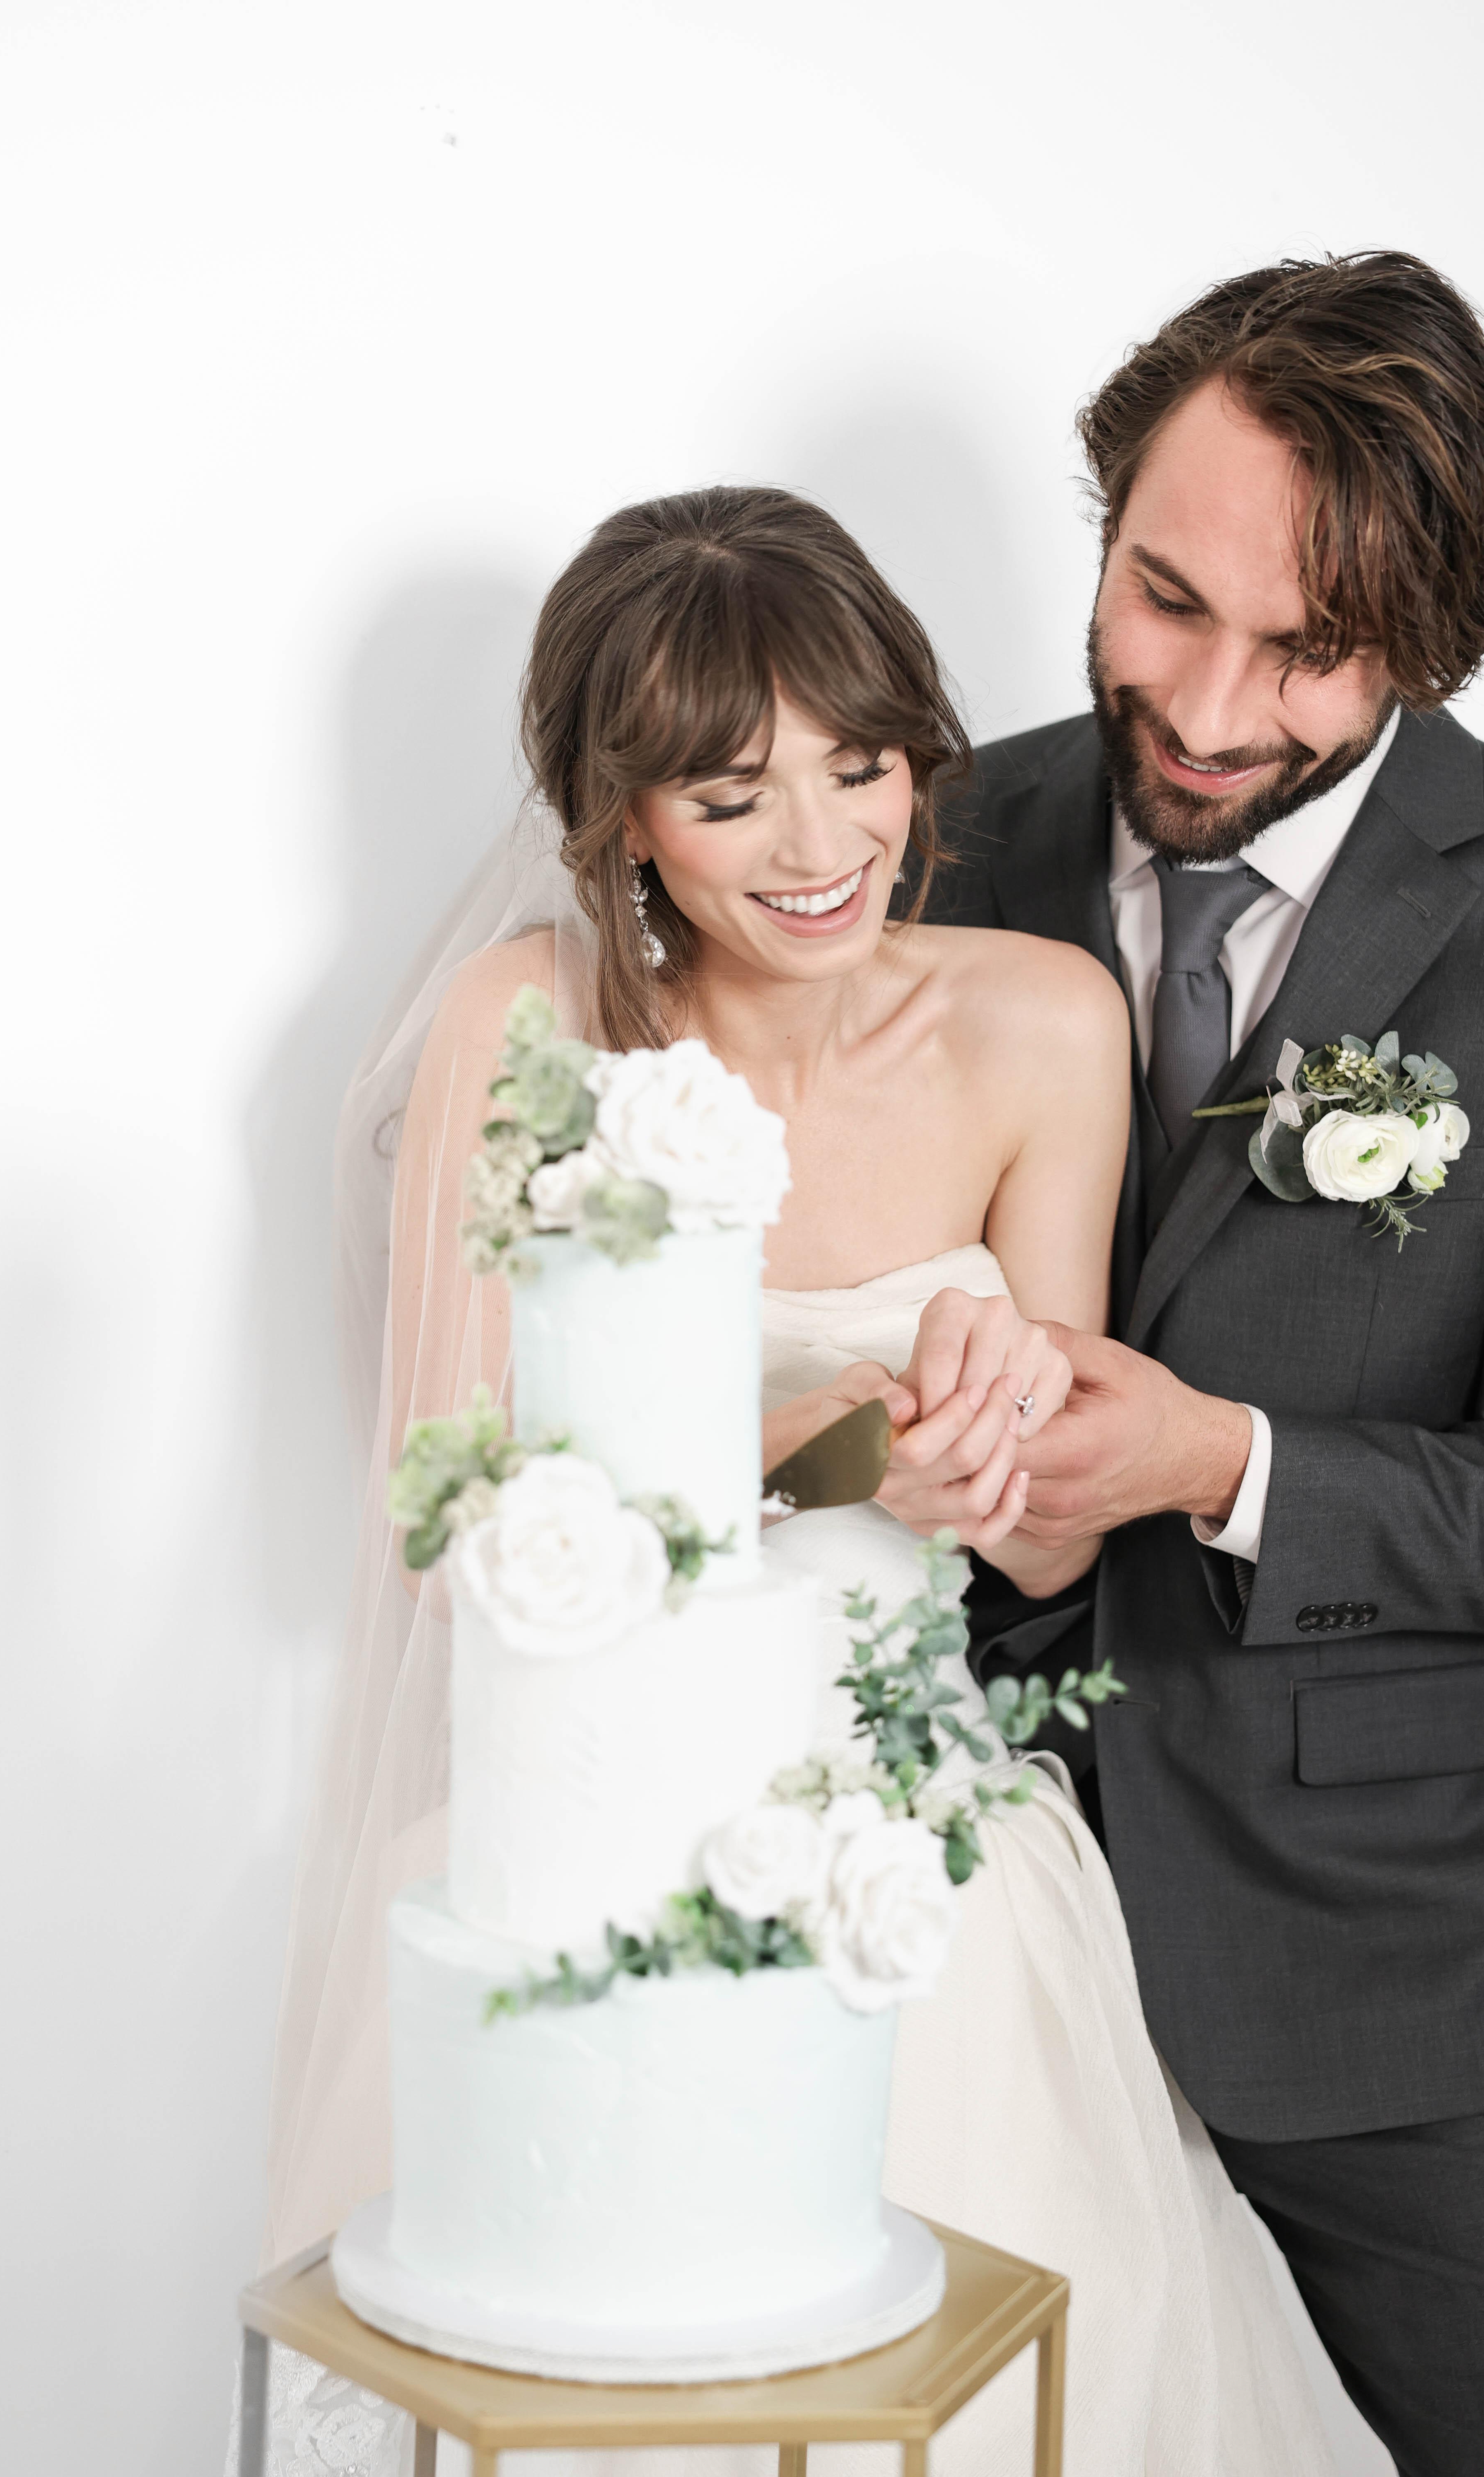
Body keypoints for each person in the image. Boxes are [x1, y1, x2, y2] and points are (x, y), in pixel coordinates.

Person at [253, 484, 1335, 2476]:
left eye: (861, 767)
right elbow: (439, 1519)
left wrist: (995, 1441)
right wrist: (822, 1439)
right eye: (732, 797)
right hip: (584, 1834)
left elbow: (1048, 1549)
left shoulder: (1044, 1022)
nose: (823, 849)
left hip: (905, 1847)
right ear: (623, 819)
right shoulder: (527, 1021)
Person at [932, 249, 1484, 2477]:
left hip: (1389, 1998)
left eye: (1307, 651)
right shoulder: (914, 843)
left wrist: (1224, 1461)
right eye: (1163, 598)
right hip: (948, 1962)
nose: (1207, 705)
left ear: (1429, 649)